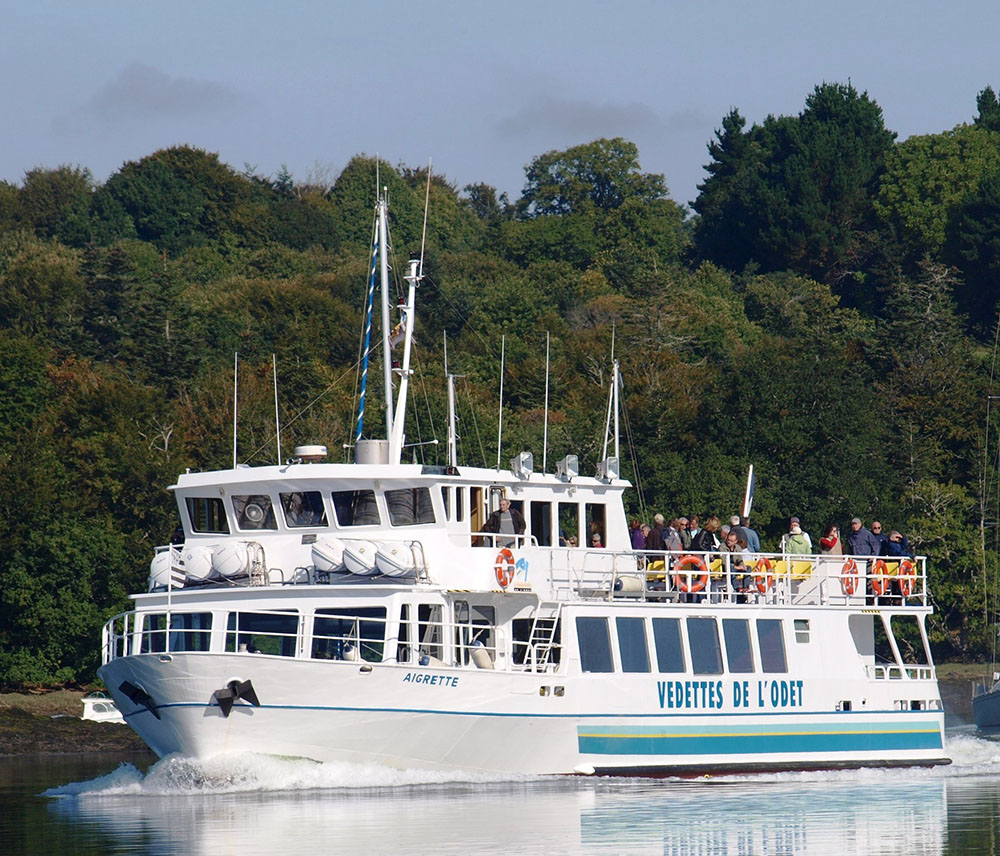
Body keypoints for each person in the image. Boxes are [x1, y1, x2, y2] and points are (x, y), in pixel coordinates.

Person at [720, 529, 752, 599]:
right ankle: (737, 588)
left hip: (735, 568)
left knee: (748, 568)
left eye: (731, 541)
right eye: (728, 540)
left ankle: (746, 587)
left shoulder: (738, 548)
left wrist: (742, 566)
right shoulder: (722, 547)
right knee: (730, 567)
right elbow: (724, 562)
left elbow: (740, 560)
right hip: (725, 569)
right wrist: (736, 567)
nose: (729, 542)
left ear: (736, 541)